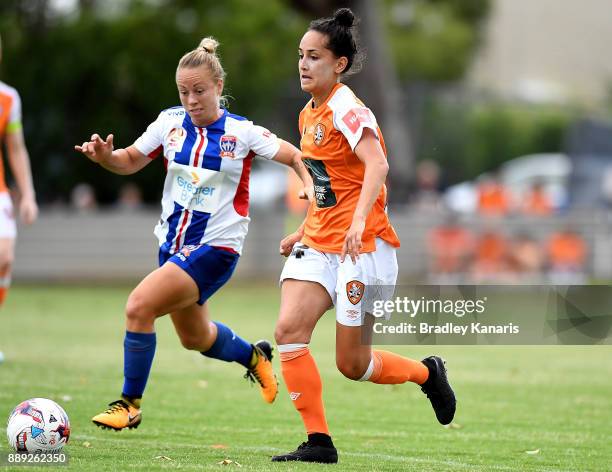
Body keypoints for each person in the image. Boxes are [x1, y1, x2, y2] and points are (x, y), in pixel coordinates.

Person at [75, 37, 313, 431]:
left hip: (217, 248)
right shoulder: (169, 123)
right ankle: (255, 357)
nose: (191, 99)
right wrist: (106, 159)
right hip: (172, 247)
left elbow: (295, 155)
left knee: (138, 306)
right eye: (184, 91)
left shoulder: (242, 133)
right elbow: (131, 159)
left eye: (199, 90)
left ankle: (130, 403)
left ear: (218, 87)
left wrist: (306, 183)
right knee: (195, 337)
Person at [272, 9, 456, 464]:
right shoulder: (307, 114)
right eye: (300, 55)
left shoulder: (347, 108)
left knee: (352, 364)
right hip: (319, 242)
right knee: (288, 330)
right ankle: (319, 443)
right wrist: (303, 226)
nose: (303, 64)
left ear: (338, 64)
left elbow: (378, 165)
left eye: (313, 56)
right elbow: (325, 184)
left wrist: (356, 222)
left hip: (363, 247)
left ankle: (426, 374)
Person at [0, 33, 39, 361]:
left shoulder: (8, 98)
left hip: (0, 191)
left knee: (5, 258)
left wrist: (27, 194)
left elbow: (15, 148)